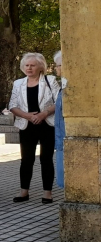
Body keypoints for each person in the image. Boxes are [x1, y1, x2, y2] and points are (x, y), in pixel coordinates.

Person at [9, 53, 60, 204]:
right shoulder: (18, 83)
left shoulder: (50, 80)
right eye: (27, 65)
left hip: (47, 124)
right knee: (26, 159)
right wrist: (27, 116)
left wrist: (44, 114)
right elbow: (12, 105)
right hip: (27, 125)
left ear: (40, 67)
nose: (29, 68)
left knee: (46, 159)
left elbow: (59, 101)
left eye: (33, 65)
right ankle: (24, 191)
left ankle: (47, 193)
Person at [54, 51, 66, 189]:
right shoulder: (63, 86)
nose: (56, 68)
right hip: (61, 139)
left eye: (58, 65)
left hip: (67, 139)